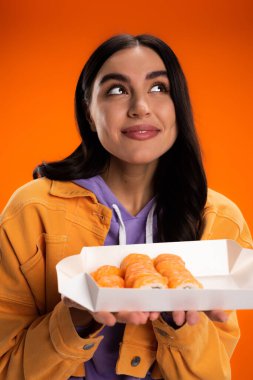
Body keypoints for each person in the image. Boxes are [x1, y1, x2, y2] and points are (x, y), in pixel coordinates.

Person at [0, 34, 252, 380]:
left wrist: (179, 325)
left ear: (178, 105)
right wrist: (74, 319)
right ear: (88, 112)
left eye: (159, 88)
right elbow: (6, 369)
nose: (140, 107)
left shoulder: (219, 221)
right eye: (117, 90)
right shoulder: (31, 211)